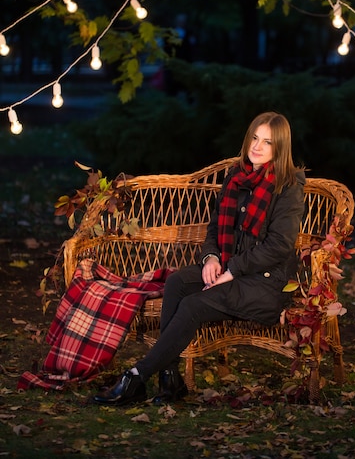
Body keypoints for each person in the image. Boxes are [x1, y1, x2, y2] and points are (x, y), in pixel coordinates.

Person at [93, 111, 306, 406]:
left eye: (267, 142)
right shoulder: (236, 177)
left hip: (264, 283)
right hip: (231, 267)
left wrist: (232, 269)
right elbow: (215, 226)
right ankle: (170, 379)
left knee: (194, 304)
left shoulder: (288, 187)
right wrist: (210, 258)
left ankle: (135, 378)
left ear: (280, 148)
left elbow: (279, 246)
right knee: (178, 282)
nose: (257, 147)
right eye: (254, 138)